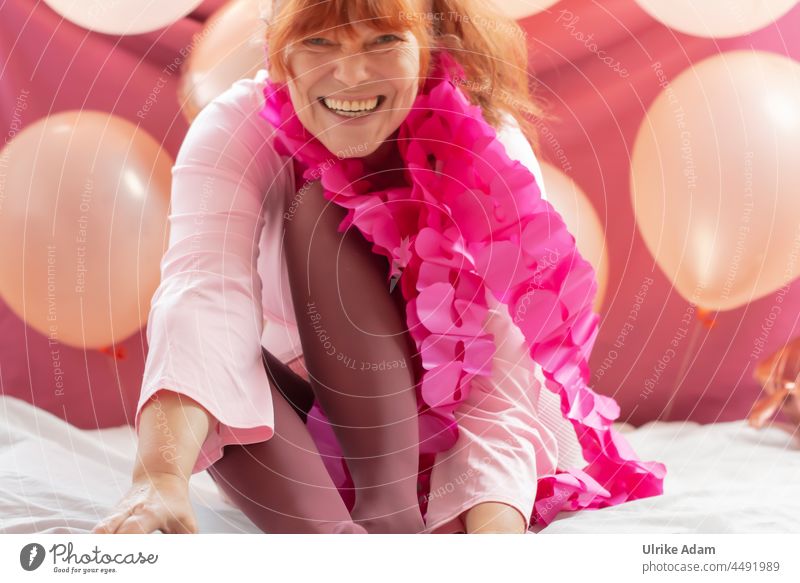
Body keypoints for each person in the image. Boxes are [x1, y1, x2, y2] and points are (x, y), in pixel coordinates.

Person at [93, 0, 665, 535]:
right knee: (215, 371)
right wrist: (160, 480)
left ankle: (393, 518)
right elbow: (202, 291)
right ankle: (353, 551)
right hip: (309, 446)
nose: (351, 76)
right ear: (277, 49)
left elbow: (497, 376)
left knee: (321, 204)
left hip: (452, 449)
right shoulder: (236, 125)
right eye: (318, 43)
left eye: (383, 40)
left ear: (429, 42)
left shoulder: (485, 145)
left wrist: (493, 542)